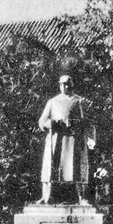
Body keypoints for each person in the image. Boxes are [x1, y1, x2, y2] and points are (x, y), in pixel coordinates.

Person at [37, 74, 95, 204]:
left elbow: (89, 122)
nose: (64, 86)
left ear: (72, 85)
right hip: (56, 138)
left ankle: (82, 197)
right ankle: (47, 196)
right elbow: (42, 120)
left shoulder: (79, 101)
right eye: (62, 84)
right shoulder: (53, 101)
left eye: (67, 84)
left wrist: (91, 138)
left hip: (73, 139)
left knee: (76, 167)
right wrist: (49, 124)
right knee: (51, 166)